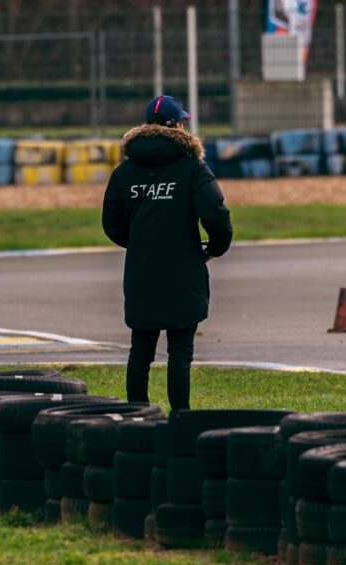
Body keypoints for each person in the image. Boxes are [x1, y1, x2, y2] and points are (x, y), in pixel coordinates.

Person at [102, 95, 232, 411]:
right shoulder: (192, 168)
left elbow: (112, 224)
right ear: (175, 125)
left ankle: (136, 416)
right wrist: (214, 249)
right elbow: (215, 215)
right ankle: (180, 418)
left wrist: (143, 244)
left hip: (141, 271)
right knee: (180, 351)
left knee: (141, 349)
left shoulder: (124, 173)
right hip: (183, 270)